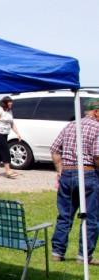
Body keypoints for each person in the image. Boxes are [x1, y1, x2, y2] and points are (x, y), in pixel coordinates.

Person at [50, 105, 99, 264]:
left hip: (68, 174)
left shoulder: (71, 125)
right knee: (91, 217)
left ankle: (57, 253)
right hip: (88, 172)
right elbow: (97, 155)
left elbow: (54, 149)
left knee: (65, 216)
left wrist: (60, 169)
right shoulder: (97, 128)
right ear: (96, 112)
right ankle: (84, 255)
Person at [0, 95, 22, 179]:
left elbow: (12, 123)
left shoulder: (9, 111)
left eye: (11, 102)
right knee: (5, 150)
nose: (11, 103)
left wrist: (17, 133)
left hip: (5, 134)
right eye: (9, 102)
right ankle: (8, 170)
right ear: (5, 103)